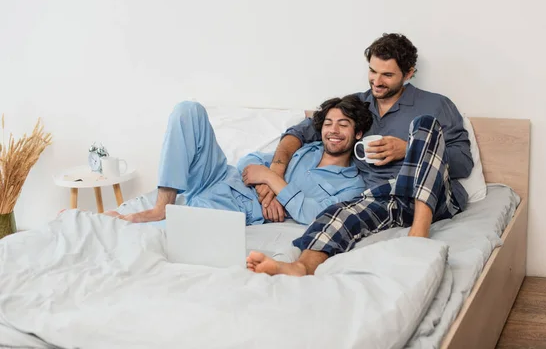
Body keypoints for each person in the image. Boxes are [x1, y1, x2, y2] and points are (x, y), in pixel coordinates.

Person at [246, 33, 474, 276]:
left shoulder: (436, 104)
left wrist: (407, 149)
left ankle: (418, 237)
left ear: (408, 74)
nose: (376, 81)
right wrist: (275, 172)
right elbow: (298, 133)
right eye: (372, 71)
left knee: (425, 124)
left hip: (434, 194)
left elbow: (463, 162)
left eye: (387, 75)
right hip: (383, 197)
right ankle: (300, 267)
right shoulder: (355, 106)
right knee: (338, 214)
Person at [105, 95, 372, 226]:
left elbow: (313, 213)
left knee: (185, 228)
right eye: (328, 123)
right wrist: (263, 180)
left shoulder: (353, 186)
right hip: (222, 175)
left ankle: (150, 222)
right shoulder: (307, 150)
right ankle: (162, 206)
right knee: (188, 110)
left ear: (357, 133)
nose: (333, 131)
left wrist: (270, 179)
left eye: (343, 125)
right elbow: (250, 160)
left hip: (236, 206)